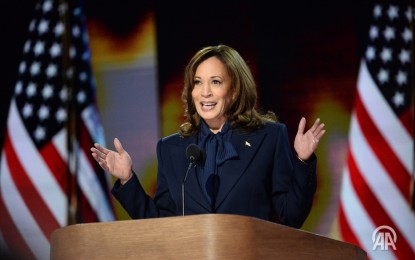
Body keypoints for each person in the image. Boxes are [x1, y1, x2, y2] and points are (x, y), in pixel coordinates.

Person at [90, 44, 325, 229]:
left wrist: (303, 161)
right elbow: (161, 223)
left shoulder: (268, 138)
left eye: (216, 82)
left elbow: (290, 216)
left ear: (234, 90)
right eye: (198, 83)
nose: (205, 92)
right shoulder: (171, 149)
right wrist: (127, 180)